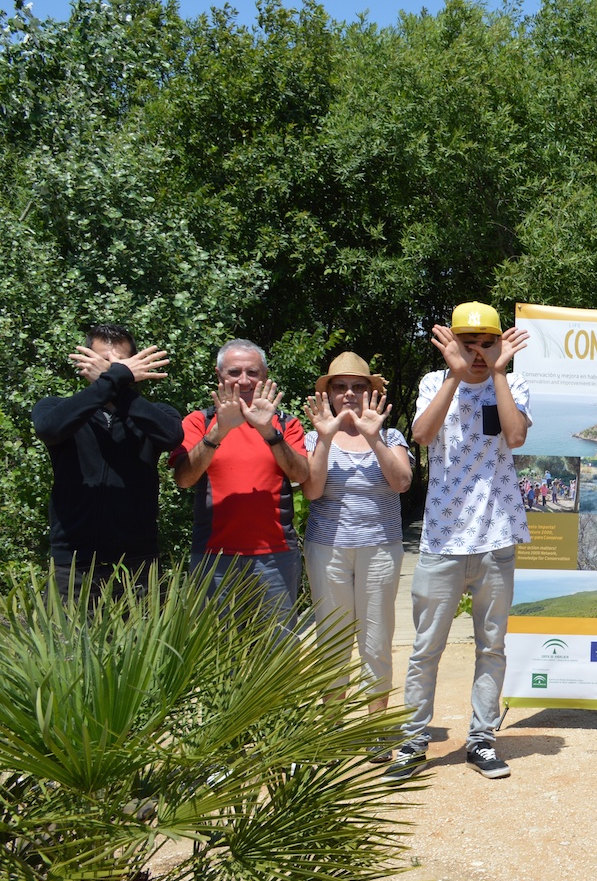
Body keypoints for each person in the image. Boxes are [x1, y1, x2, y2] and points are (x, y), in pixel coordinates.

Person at [383, 301, 531, 782]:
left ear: (499, 342)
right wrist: (452, 376)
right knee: (427, 647)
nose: (478, 352)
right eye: (469, 343)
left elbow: (514, 436)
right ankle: (413, 740)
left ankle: (482, 739)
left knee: (492, 645)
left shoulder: (513, 382)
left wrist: (501, 375)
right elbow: (422, 435)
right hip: (443, 537)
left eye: (487, 342)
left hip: (496, 535)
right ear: (452, 342)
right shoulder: (432, 382)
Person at [302, 352, 413, 758]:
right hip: (326, 548)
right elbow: (311, 491)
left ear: (372, 392)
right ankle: (332, 732)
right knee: (330, 639)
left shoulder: (392, 436)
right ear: (328, 393)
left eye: (358, 386)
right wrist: (327, 436)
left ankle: (377, 730)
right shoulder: (314, 436)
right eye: (339, 386)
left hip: (380, 548)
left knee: (376, 639)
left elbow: (401, 482)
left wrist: (372, 436)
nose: (349, 393)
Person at [32, 323, 183, 597]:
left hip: (137, 563)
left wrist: (116, 384)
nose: (113, 369)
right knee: (71, 641)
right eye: (105, 362)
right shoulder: (56, 407)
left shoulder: (156, 413)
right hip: (73, 565)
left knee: (141, 641)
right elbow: (49, 430)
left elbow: (172, 436)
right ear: (85, 362)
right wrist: (114, 380)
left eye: (121, 364)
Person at [169, 338, 308, 625]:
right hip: (213, 557)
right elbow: (184, 479)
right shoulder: (198, 421)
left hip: (276, 557)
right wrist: (219, 432)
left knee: (277, 655)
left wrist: (268, 431)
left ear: (265, 377)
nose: (243, 380)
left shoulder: (285, 423)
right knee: (217, 655)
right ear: (220, 376)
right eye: (234, 372)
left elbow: (300, 474)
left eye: (252, 372)